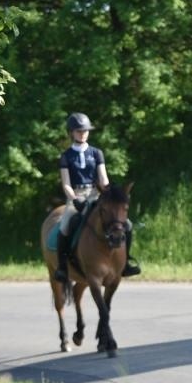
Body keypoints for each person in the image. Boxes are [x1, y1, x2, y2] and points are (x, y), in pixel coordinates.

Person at [54, 112, 140, 283]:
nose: (83, 133)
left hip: (96, 194)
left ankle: (126, 261)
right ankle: (63, 267)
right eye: (79, 131)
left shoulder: (96, 153)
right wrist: (74, 199)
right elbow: (66, 183)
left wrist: (106, 193)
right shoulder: (66, 156)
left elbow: (103, 178)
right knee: (64, 226)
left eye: (85, 130)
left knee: (127, 225)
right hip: (76, 195)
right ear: (71, 132)